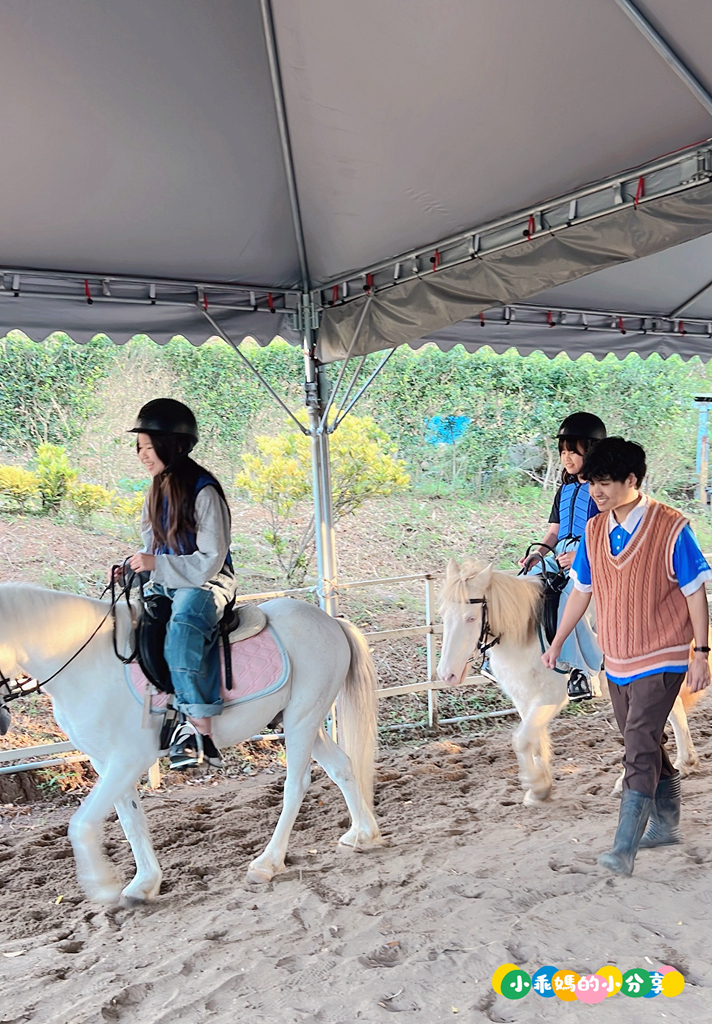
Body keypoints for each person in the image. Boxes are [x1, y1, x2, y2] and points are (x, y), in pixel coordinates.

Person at [542, 437, 711, 877]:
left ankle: (623, 847)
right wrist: (559, 641)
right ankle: (669, 821)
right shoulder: (596, 531)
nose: (595, 492)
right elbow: (582, 589)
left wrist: (701, 653)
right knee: (645, 741)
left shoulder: (672, 527)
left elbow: (696, 594)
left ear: (632, 481)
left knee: (636, 745)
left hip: (665, 653)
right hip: (615, 655)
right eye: (591, 482)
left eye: (605, 483)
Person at [125, 398, 237, 771]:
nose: (142, 455)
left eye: (147, 446)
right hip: (168, 579)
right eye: (138, 447)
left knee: (184, 624)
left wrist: (157, 563)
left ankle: (198, 731)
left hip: (208, 582)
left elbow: (211, 558)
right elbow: (150, 542)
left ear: (174, 445)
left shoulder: (204, 491)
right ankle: (159, 708)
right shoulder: (155, 489)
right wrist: (138, 566)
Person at [519, 412, 606, 700]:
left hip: (591, 556)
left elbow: (606, 529)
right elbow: (553, 532)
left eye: (573, 451)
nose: (567, 458)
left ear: (591, 451)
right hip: (559, 555)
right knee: (525, 585)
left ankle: (583, 670)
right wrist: (538, 554)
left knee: (571, 595)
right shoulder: (563, 490)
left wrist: (581, 555)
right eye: (563, 452)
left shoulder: (602, 489)